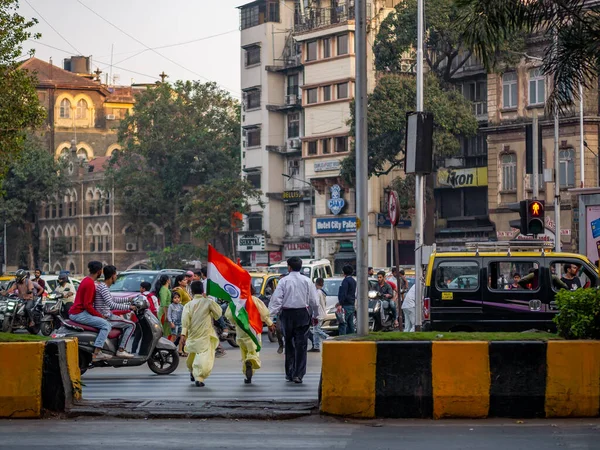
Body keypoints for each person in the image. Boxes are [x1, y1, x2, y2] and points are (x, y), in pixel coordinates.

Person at [269, 256, 320, 384]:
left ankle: (290, 373)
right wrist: (315, 316)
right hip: (302, 313)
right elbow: (314, 301)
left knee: (289, 344)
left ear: (289, 267)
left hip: (287, 315)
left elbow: (276, 300)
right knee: (301, 345)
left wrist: (270, 317)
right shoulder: (307, 281)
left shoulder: (284, 281)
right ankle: (298, 374)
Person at [226, 285, 274, 384]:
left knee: (243, 351)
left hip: (240, 331)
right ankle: (250, 362)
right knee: (254, 350)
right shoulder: (255, 300)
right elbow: (264, 314)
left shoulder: (235, 302)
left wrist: (235, 324)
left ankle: (247, 371)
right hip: (253, 330)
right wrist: (270, 324)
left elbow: (229, 316)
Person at [180, 281, 223, 387]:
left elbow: (185, 321)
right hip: (205, 334)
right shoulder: (208, 302)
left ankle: (192, 369)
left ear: (192, 291)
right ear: (202, 290)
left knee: (193, 353)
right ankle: (199, 377)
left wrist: (183, 334)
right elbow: (218, 314)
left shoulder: (188, 305)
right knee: (204, 356)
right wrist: (209, 300)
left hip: (193, 334)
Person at [69, 261, 112, 361]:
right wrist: (100, 316)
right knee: (106, 325)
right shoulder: (89, 284)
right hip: (79, 313)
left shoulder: (86, 280)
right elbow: (87, 305)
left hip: (77, 312)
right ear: (99, 271)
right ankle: (97, 353)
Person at [93, 265, 136, 358]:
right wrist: (129, 307)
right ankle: (121, 350)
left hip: (106, 315)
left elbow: (113, 299)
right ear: (112, 276)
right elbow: (111, 304)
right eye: (116, 275)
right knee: (131, 325)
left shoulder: (103, 286)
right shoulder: (103, 287)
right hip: (106, 317)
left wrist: (129, 299)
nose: (116, 277)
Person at [309, 278, 329, 353]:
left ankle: (328, 338)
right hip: (321, 313)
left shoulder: (317, 292)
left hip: (317, 314)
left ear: (316, 283)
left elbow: (316, 304)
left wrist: (314, 314)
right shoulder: (322, 292)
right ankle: (316, 346)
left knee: (317, 330)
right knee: (315, 330)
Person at [337, 265, 357, 335]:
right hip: (351, 304)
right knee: (350, 323)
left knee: (343, 323)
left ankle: (342, 339)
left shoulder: (345, 281)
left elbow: (343, 293)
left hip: (345, 305)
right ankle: (352, 338)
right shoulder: (353, 281)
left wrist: (340, 304)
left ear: (344, 272)